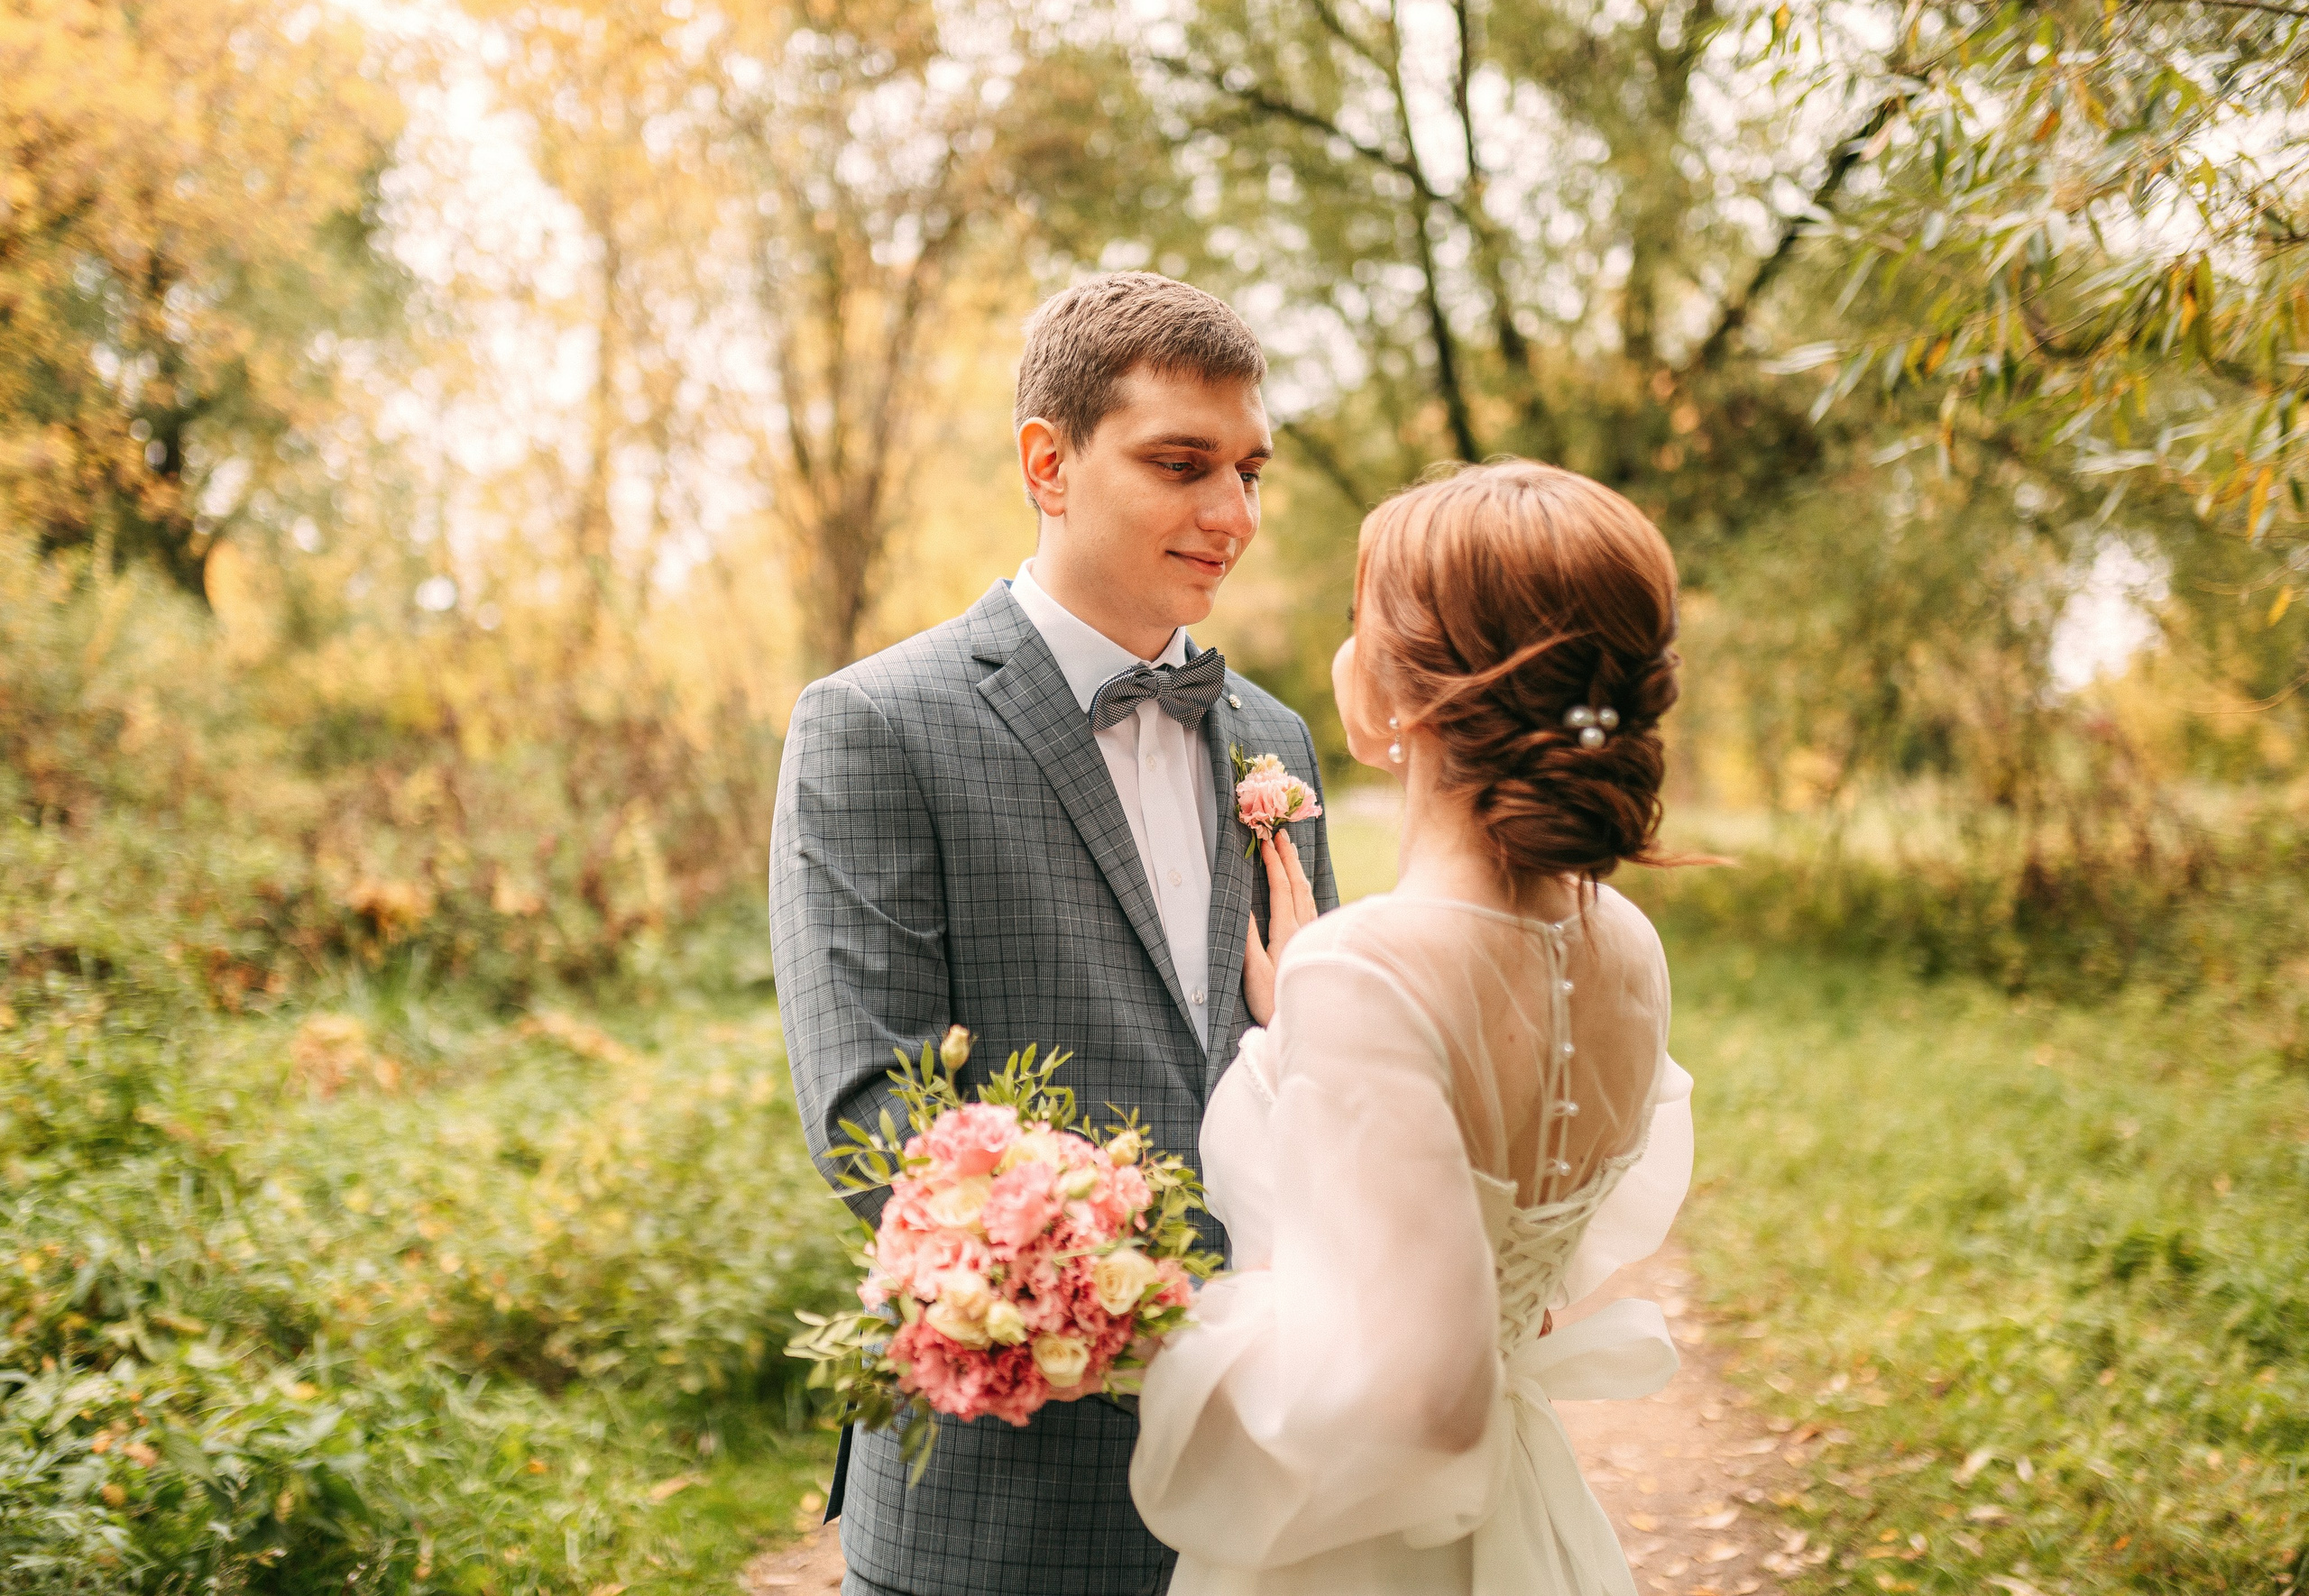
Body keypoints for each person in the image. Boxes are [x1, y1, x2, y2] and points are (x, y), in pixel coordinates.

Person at [769, 271, 1338, 1596]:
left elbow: (1320, 1071)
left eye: (1250, 469)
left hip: (1275, 1489)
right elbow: (876, 1122)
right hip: (1007, 1494)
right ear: (1049, 462)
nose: (1232, 514)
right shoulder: (876, 724)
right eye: (1181, 463)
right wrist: (1140, 1314)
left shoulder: (1275, 741)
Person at [1129, 459, 1697, 1596]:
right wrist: (1311, 1033)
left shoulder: (1364, 969)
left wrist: (1146, 1344)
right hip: (1531, 1518)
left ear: (1405, 690)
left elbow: (1417, 1402)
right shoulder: (1626, 940)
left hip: (1362, 1555)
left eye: (1358, 617)